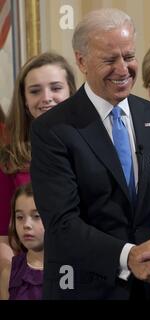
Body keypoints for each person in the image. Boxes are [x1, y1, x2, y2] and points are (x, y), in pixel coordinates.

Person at [30, 8, 150, 300]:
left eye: (129, 56)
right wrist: (128, 256)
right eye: (110, 60)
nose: (123, 69)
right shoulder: (53, 130)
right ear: (81, 61)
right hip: (88, 288)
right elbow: (62, 223)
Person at [0, 52, 76, 275]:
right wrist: (16, 278)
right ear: (24, 100)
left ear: (71, 91)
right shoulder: (9, 159)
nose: (46, 97)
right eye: (35, 91)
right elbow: (3, 236)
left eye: (55, 88)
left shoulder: (94, 147)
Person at [0, 183, 43, 300]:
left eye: (36, 216)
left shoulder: (70, 270)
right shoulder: (8, 273)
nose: (26, 225)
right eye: (19, 217)